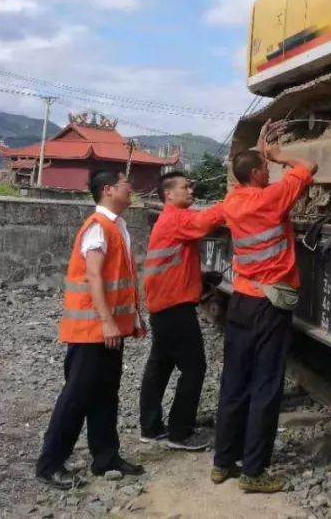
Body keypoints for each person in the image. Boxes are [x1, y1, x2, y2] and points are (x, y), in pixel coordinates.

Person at [212, 120, 317, 493]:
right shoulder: (273, 199)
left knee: (234, 382)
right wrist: (279, 153)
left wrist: (258, 153)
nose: (271, 169)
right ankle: (254, 472)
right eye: (266, 167)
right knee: (266, 386)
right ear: (257, 173)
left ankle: (223, 462)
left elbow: (262, 186)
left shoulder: (233, 201)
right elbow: (308, 168)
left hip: (242, 300)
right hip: (270, 305)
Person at [35, 170, 147, 489]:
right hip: (92, 331)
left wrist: (131, 320)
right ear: (109, 190)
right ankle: (50, 463)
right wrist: (108, 321)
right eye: (127, 182)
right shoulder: (98, 227)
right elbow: (94, 277)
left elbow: (118, 283)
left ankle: (106, 457)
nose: (131, 187)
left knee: (105, 395)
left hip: (107, 330)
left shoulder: (115, 226)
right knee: (77, 396)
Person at [138, 171, 225, 451]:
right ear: (169, 194)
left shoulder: (169, 219)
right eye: (186, 187)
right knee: (194, 367)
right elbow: (204, 222)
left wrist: (201, 277)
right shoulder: (177, 218)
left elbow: (177, 260)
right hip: (174, 307)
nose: (191, 191)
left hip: (163, 305)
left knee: (160, 367)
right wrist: (238, 198)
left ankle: (150, 428)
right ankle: (180, 432)